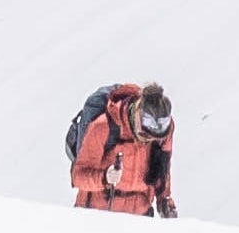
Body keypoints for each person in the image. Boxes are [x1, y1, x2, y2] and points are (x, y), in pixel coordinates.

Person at [66, 79, 178, 215]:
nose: (148, 139)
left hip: (139, 218)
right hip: (95, 215)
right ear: (137, 112)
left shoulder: (163, 131)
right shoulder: (103, 127)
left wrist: (165, 202)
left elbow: (162, 170)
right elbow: (78, 176)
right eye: (144, 133)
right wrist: (104, 178)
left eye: (154, 137)